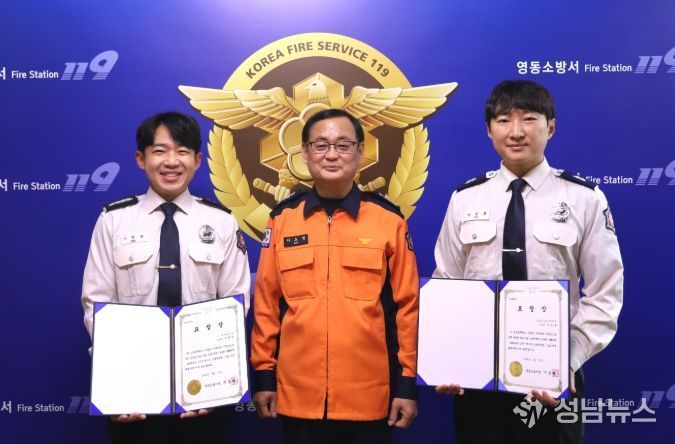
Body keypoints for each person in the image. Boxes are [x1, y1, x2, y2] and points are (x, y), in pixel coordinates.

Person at [432, 80, 624, 443]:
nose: (516, 131)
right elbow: (447, 286)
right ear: (489, 130)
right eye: (504, 120)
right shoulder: (465, 199)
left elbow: (605, 292)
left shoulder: (584, 199)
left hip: (553, 382)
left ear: (551, 127)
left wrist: (567, 360)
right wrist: (449, 359)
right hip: (479, 380)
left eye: (529, 119)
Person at [251, 108, 419, 444]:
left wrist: (406, 385)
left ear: (360, 152)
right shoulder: (283, 220)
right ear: (304, 153)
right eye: (321, 145)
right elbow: (267, 302)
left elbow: (407, 307)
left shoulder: (388, 221)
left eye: (343, 145)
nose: (331, 155)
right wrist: (264, 375)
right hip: (298, 397)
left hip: (369, 399)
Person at [81, 111, 251, 444]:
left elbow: (236, 301)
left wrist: (214, 380)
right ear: (141, 159)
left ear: (197, 160)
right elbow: (96, 302)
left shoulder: (222, 222)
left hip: (204, 393)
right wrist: (116, 379)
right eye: (159, 151)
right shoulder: (114, 221)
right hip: (133, 389)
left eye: (182, 151)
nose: (171, 162)